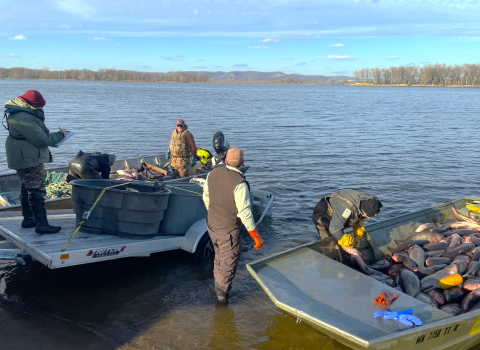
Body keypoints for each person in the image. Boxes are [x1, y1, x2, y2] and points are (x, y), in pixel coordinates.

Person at [202, 147, 264, 304]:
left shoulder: (212, 174)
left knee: (219, 257)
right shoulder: (240, 184)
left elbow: (206, 198)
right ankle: (221, 302)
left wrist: (215, 214)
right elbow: (245, 214)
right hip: (228, 231)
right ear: (242, 163)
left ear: (226, 161)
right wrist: (256, 237)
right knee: (228, 263)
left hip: (212, 227)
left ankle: (217, 286)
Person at [4, 90, 66, 234]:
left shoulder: (19, 112)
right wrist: (61, 135)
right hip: (28, 158)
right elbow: (42, 140)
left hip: (24, 155)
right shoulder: (24, 117)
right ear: (33, 105)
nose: (41, 109)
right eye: (40, 107)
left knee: (26, 188)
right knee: (37, 190)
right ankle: (42, 224)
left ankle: (28, 219)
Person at [312, 189, 382, 249]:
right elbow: (334, 229)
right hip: (323, 215)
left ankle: (341, 246)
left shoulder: (369, 201)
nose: (368, 217)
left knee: (339, 231)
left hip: (340, 211)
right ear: (363, 210)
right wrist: (346, 243)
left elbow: (360, 219)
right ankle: (327, 259)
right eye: (368, 215)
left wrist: (357, 236)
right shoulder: (346, 209)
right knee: (330, 244)